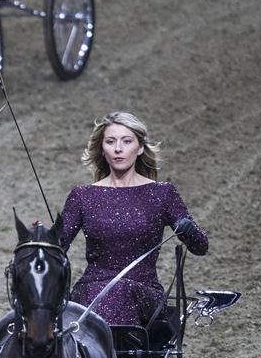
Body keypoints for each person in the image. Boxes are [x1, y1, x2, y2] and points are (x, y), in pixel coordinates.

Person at [60, 111, 209, 327]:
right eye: (110, 141)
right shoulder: (82, 196)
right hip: (90, 291)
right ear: (102, 149)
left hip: (144, 292)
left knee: (119, 289)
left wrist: (188, 230)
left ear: (139, 148)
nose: (118, 149)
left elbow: (201, 247)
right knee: (95, 294)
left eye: (127, 141)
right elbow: (57, 245)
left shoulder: (163, 194)